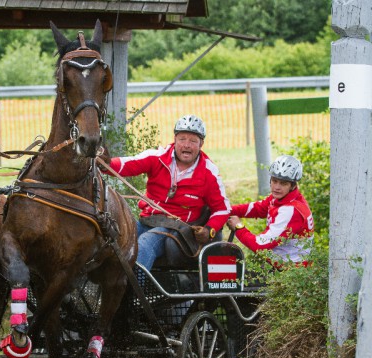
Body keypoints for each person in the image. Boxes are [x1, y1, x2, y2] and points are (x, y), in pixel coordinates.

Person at [103, 114, 231, 272]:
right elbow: (127, 164)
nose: (187, 145)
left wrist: (209, 230)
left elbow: (223, 209)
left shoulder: (209, 172)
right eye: (182, 139)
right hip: (147, 221)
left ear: (201, 144)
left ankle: (136, 294)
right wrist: (105, 163)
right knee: (111, 240)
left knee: (143, 245)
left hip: (176, 228)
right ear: (175, 139)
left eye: (193, 141)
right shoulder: (157, 158)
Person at [226, 154, 314, 267]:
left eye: (283, 183)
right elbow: (259, 208)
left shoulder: (291, 211)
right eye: (274, 181)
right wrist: (225, 210)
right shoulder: (284, 197)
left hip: (290, 272)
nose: (277, 187)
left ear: (292, 185)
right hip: (280, 265)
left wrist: (238, 227)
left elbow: (259, 245)